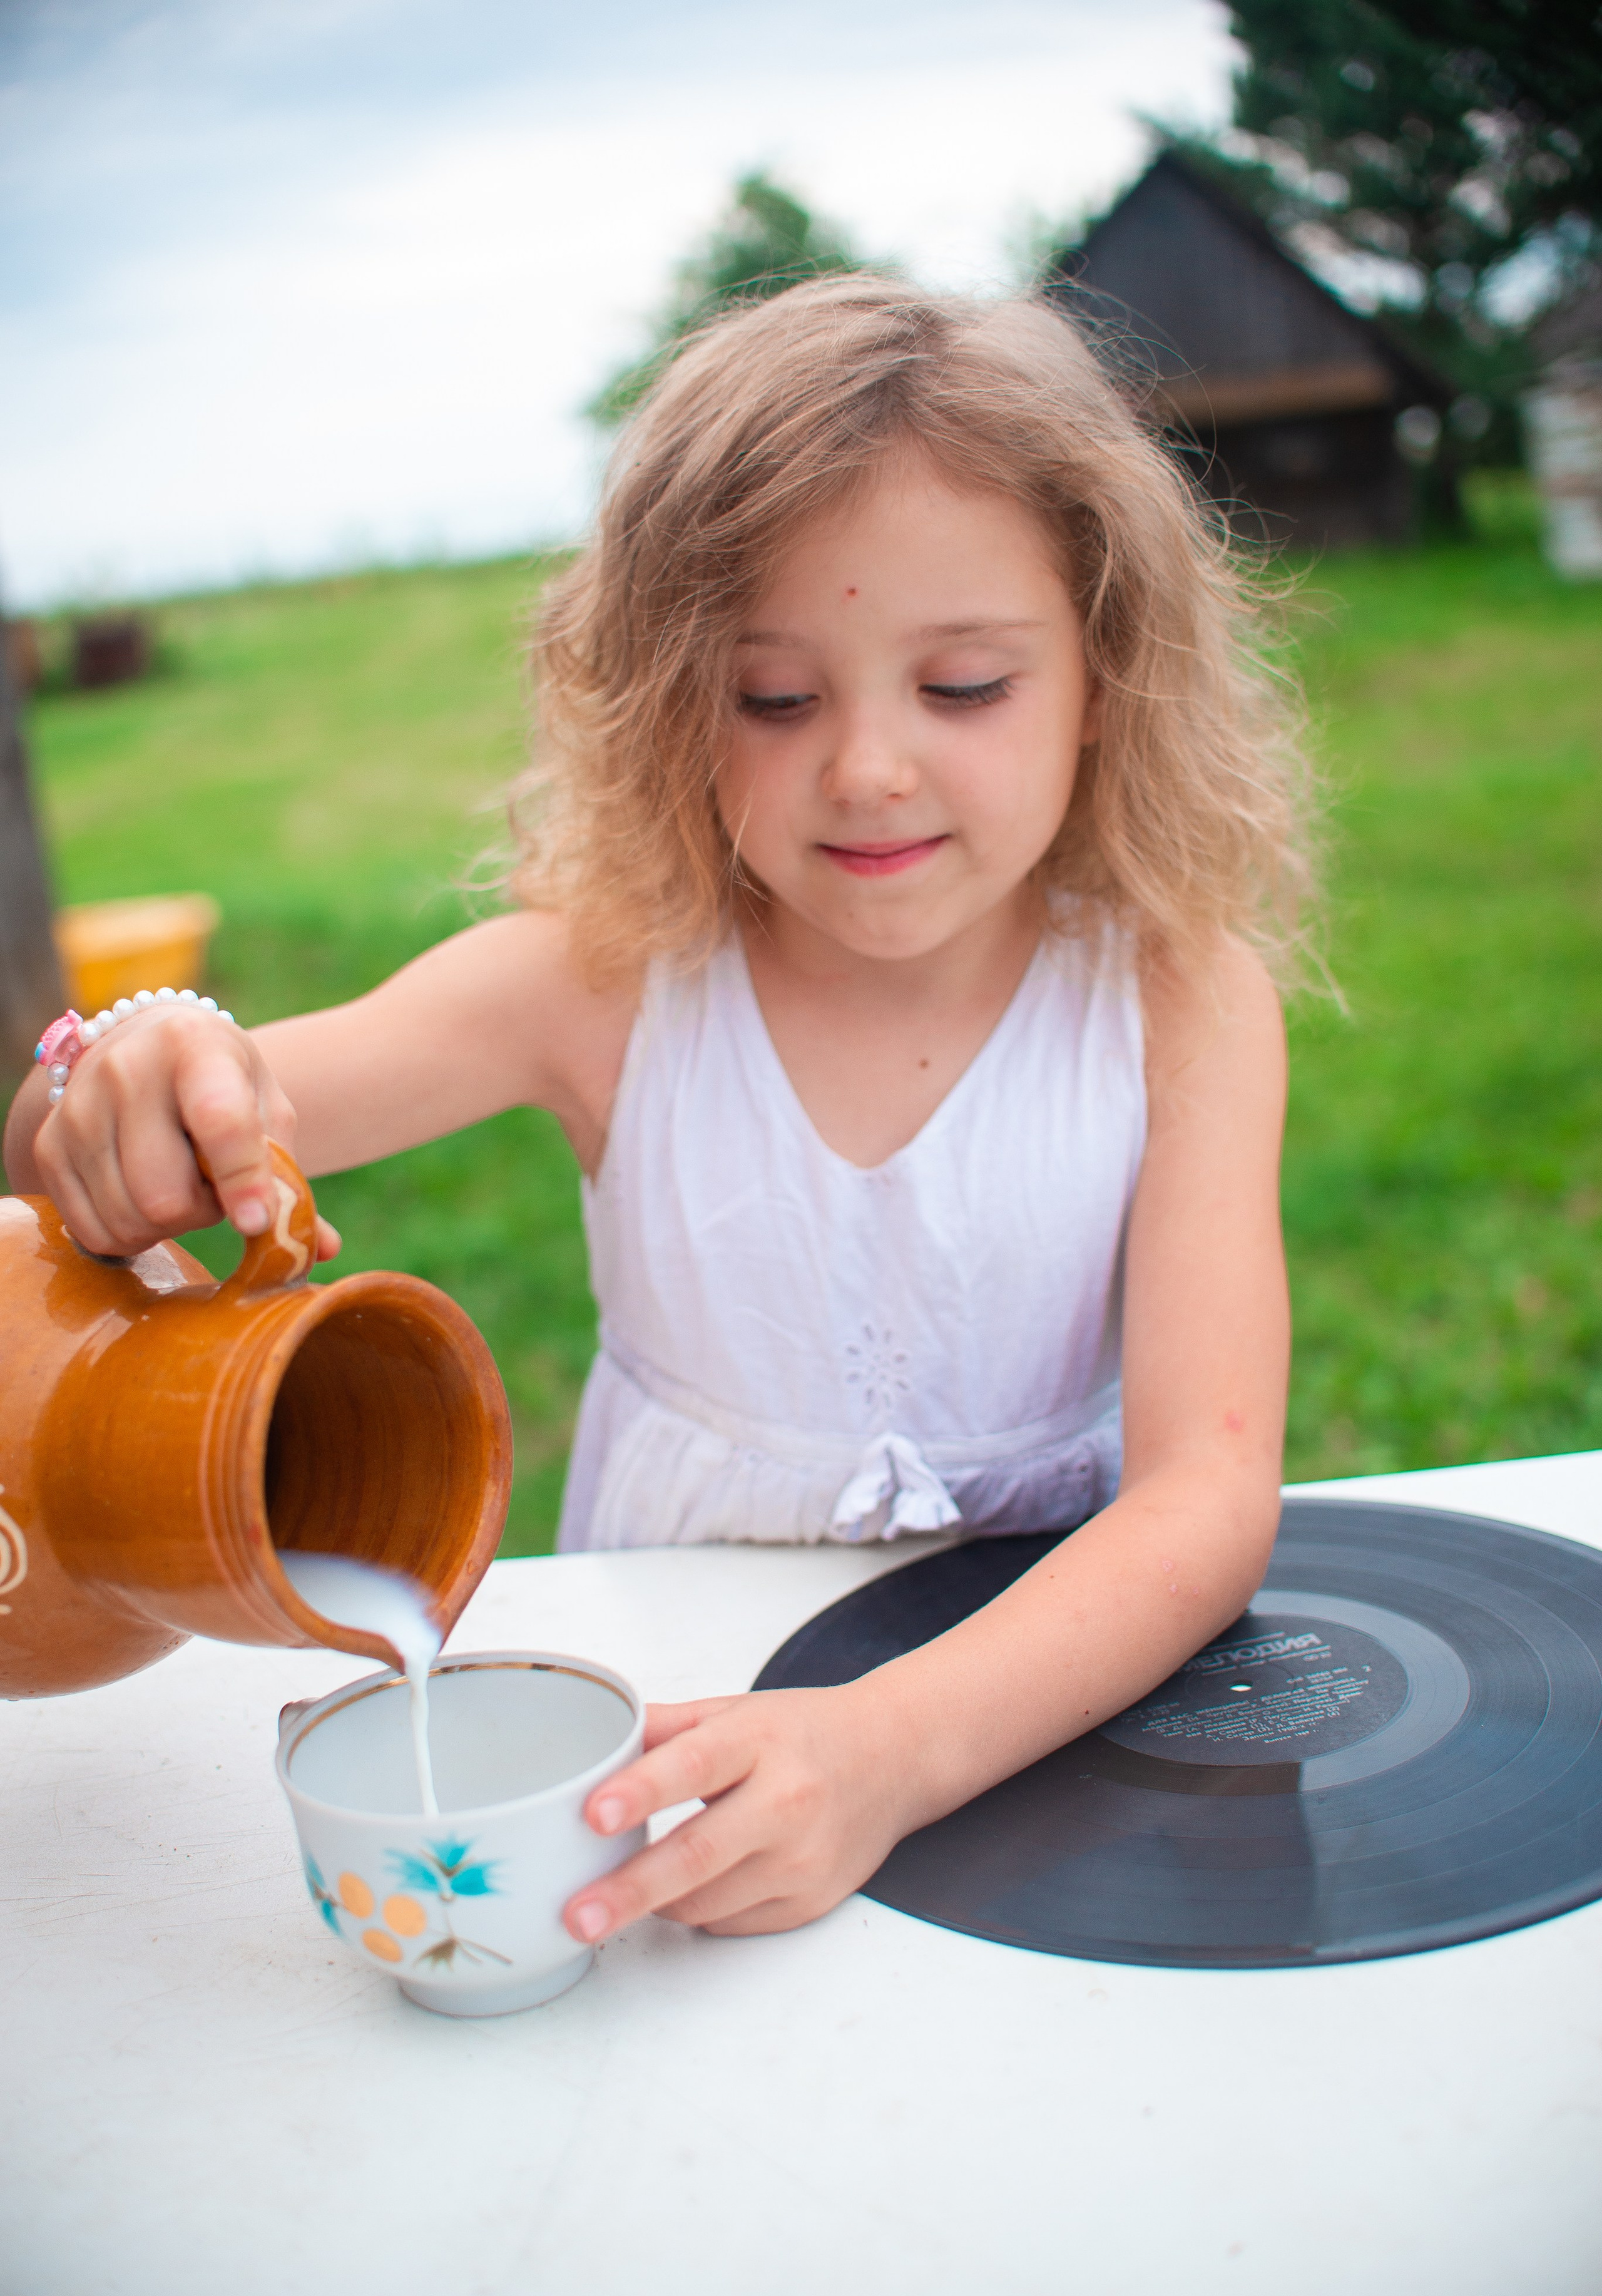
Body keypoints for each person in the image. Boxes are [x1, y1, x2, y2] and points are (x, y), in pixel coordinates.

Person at [5, 277, 1312, 1949]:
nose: (869, 767)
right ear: (672, 702)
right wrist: (132, 1066)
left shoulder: (1179, 1002)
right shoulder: (603, 985)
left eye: (965, 685)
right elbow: (142, 1131)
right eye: (776, 697)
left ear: (1104, 678)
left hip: (1038, 1729)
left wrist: (895, 1748)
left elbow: (1205, 1501)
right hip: (663, 1752)